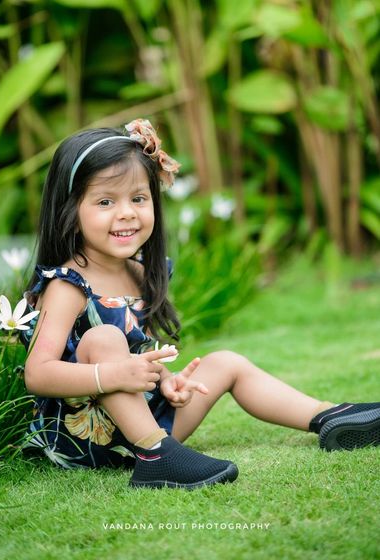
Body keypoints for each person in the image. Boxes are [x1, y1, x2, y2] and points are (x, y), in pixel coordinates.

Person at [21, 118, 380, 490]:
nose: (127, 212)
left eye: (138, 198)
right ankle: (157, 458)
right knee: (103, 338)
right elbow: (39, 373)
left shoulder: (139, 272)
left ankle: (327, 416)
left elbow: (133, 358)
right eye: (106, 201)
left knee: (226, 363)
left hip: (143, 418)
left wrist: (166, 381)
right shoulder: (66, 284)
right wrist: (111, 375)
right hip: (85, 435)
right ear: (71, 211)